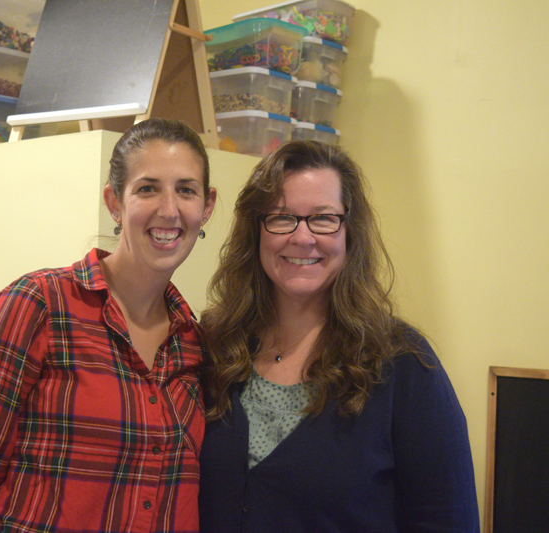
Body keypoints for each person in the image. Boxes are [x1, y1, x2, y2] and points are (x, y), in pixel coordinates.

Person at [0, 118, 217, 532]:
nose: (169, 209)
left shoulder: (195, 342)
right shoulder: (38, 305)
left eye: (186, 190)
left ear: (206, 207)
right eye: (147, 188)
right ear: (114, 202)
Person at [198, 140, 479, 532]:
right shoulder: (218, 349)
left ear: (349, 232)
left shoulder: (403, 363)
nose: (302, 237)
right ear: (255, 232)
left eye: (324, 218)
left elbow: (450, 519)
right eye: (281, 217)